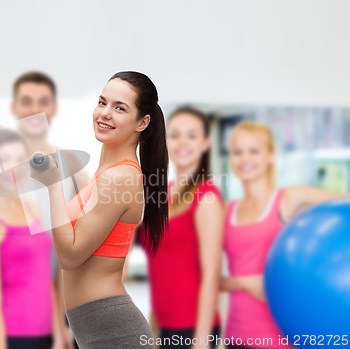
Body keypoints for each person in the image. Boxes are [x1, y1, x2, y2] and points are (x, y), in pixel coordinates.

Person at [0, 71, 87, 349]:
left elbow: (81, 240)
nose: (35, 109)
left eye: (43, 101)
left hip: (49, 308)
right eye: (27, 101)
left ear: (55, 107)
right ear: (14, 107)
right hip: (2, 311)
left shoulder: (69, 165)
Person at [30, 71, 169, 349]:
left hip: (113, 329)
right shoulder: (105, 174)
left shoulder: (119, 178)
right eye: (102, 102)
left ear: (142, 122)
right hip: (95, 325)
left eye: (120, 108)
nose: (105, 113)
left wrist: (53, 187)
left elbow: (70, 256)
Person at [220, 121, 348, 349]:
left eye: (254, 151)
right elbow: (204, 278)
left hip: (279, 337)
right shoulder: (226, 210)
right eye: (238, 152)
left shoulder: (290, 199)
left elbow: (344, 201)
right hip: (236, 336)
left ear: (271, 155)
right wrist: (244, 282)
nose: (245, 159)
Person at [140, 107, 224, 349]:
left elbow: (211, 274)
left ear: (205, 143)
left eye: (192, 135)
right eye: (175, 135)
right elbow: (159, 267)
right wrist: (153, 329)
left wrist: (201, 341)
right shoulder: (161, 194)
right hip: (164, 325)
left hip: (193, 329)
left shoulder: (206, 198)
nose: (182, 142)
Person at [0, 129, 66, 349]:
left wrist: (59, 334)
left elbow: (45, 278)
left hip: (44, 336)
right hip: (12, 337)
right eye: (4, 160)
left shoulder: (31, 209)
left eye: (19, 159)